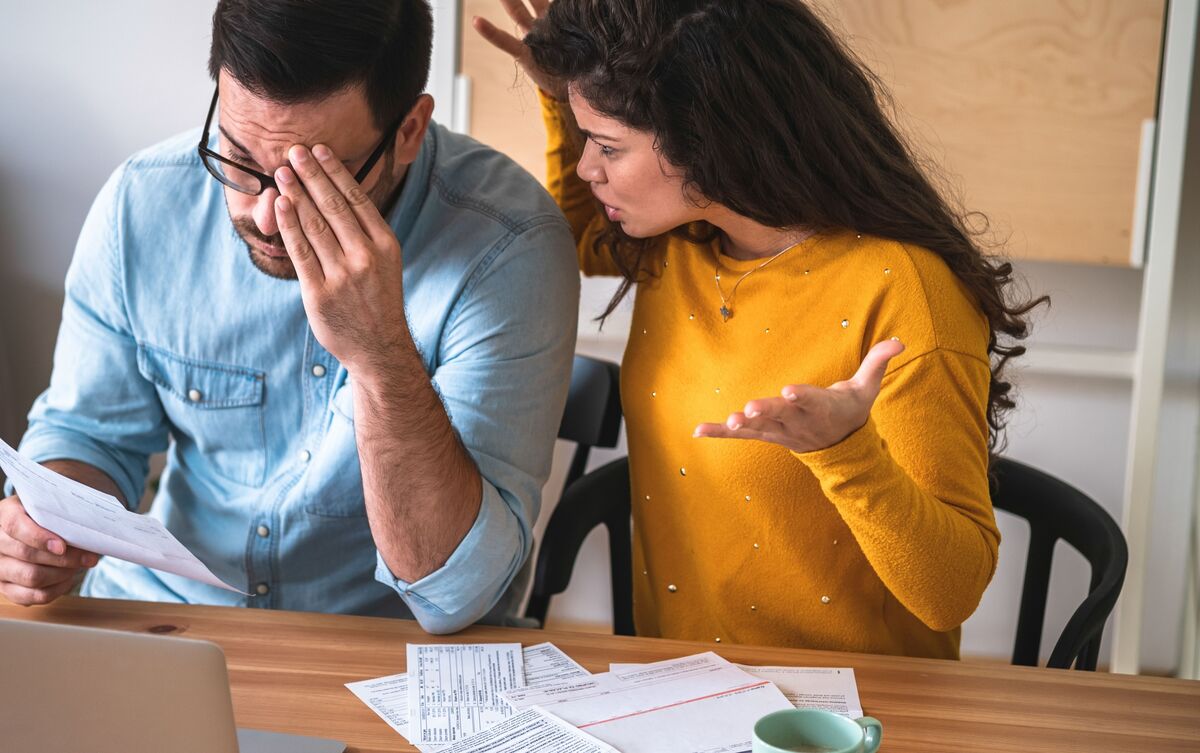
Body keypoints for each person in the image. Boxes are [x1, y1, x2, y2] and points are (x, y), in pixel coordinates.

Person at [475, 0, 1044, 658]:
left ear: (706, 140)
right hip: (686, 686)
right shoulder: (680, 243)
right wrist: (564, 101)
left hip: (855, 710)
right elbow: (564, 240)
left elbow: (949, 591)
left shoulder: (905, 291)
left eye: (607, 147)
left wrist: (847, 451)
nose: (586, 168)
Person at [0, 0, 580, 634]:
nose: (265, 214)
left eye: (315, 177)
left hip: (380, 646)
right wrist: (45, 523)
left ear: (409, 131)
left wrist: (381, 355)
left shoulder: (508, 244)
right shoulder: (142, 204)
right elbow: (91, 434)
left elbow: (456, 592)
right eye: (239, 157)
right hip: (167, 616)